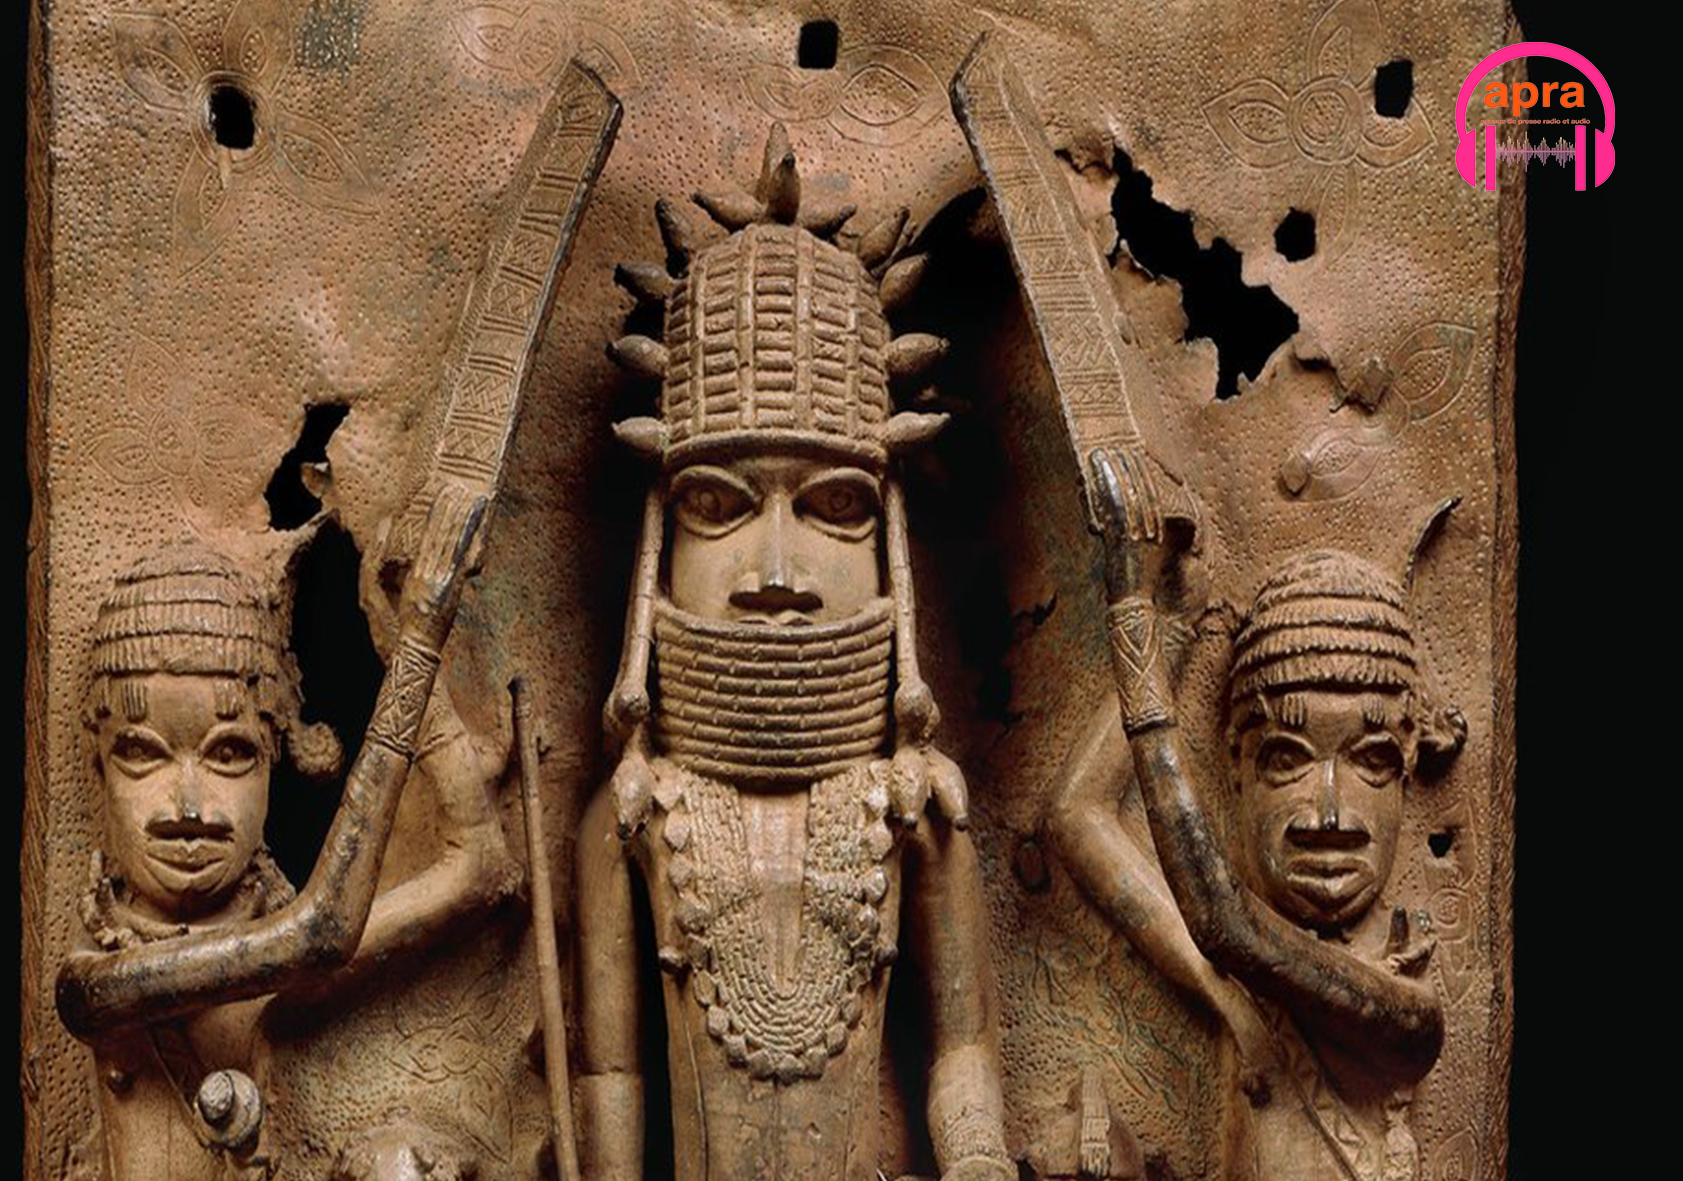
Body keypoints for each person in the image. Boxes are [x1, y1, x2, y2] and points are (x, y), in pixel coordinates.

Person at [572, 125, 1015, 1181]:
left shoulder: (914, 809)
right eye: (718, 506)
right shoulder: (633, 814)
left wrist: (979, 1159)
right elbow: (609, 1073)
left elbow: (962, 1051)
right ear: (658, 542)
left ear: (891, 539)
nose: (777, 571)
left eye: (834, 508)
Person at [55, 488, 517, 1181]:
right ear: (99, 767)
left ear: (278, 757)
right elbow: (322, 931)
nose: (189, 804)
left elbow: (479, 865)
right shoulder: (97, 982)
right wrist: (419, 643)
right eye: (143, 754)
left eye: (230, 753)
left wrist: (394, 622)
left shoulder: (274, 954)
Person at [1082, 447, 1464, 1181]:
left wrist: (1132, 605)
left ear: (1409, 773)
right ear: (1235, 768)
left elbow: (1221, 919)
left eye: (1371, 761)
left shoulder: (1405, 1016)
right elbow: (1080, 816)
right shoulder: (1243, 988)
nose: (1330, 813)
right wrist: (1179, 627)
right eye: (1288, 759)